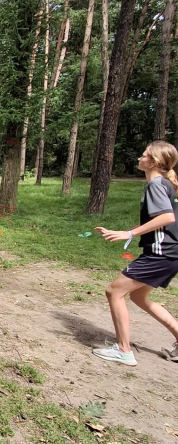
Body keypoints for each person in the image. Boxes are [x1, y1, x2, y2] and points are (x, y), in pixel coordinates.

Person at [93, 140, 178, 366]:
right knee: (139, 296)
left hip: (161, 254)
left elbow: (167, 217)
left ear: (154, 162)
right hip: (169, 254)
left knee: (114, 292)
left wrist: (129, 233)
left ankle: (123, 351)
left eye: (143, 155)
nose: (139, 158)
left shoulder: (157, 185)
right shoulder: (163, 184)